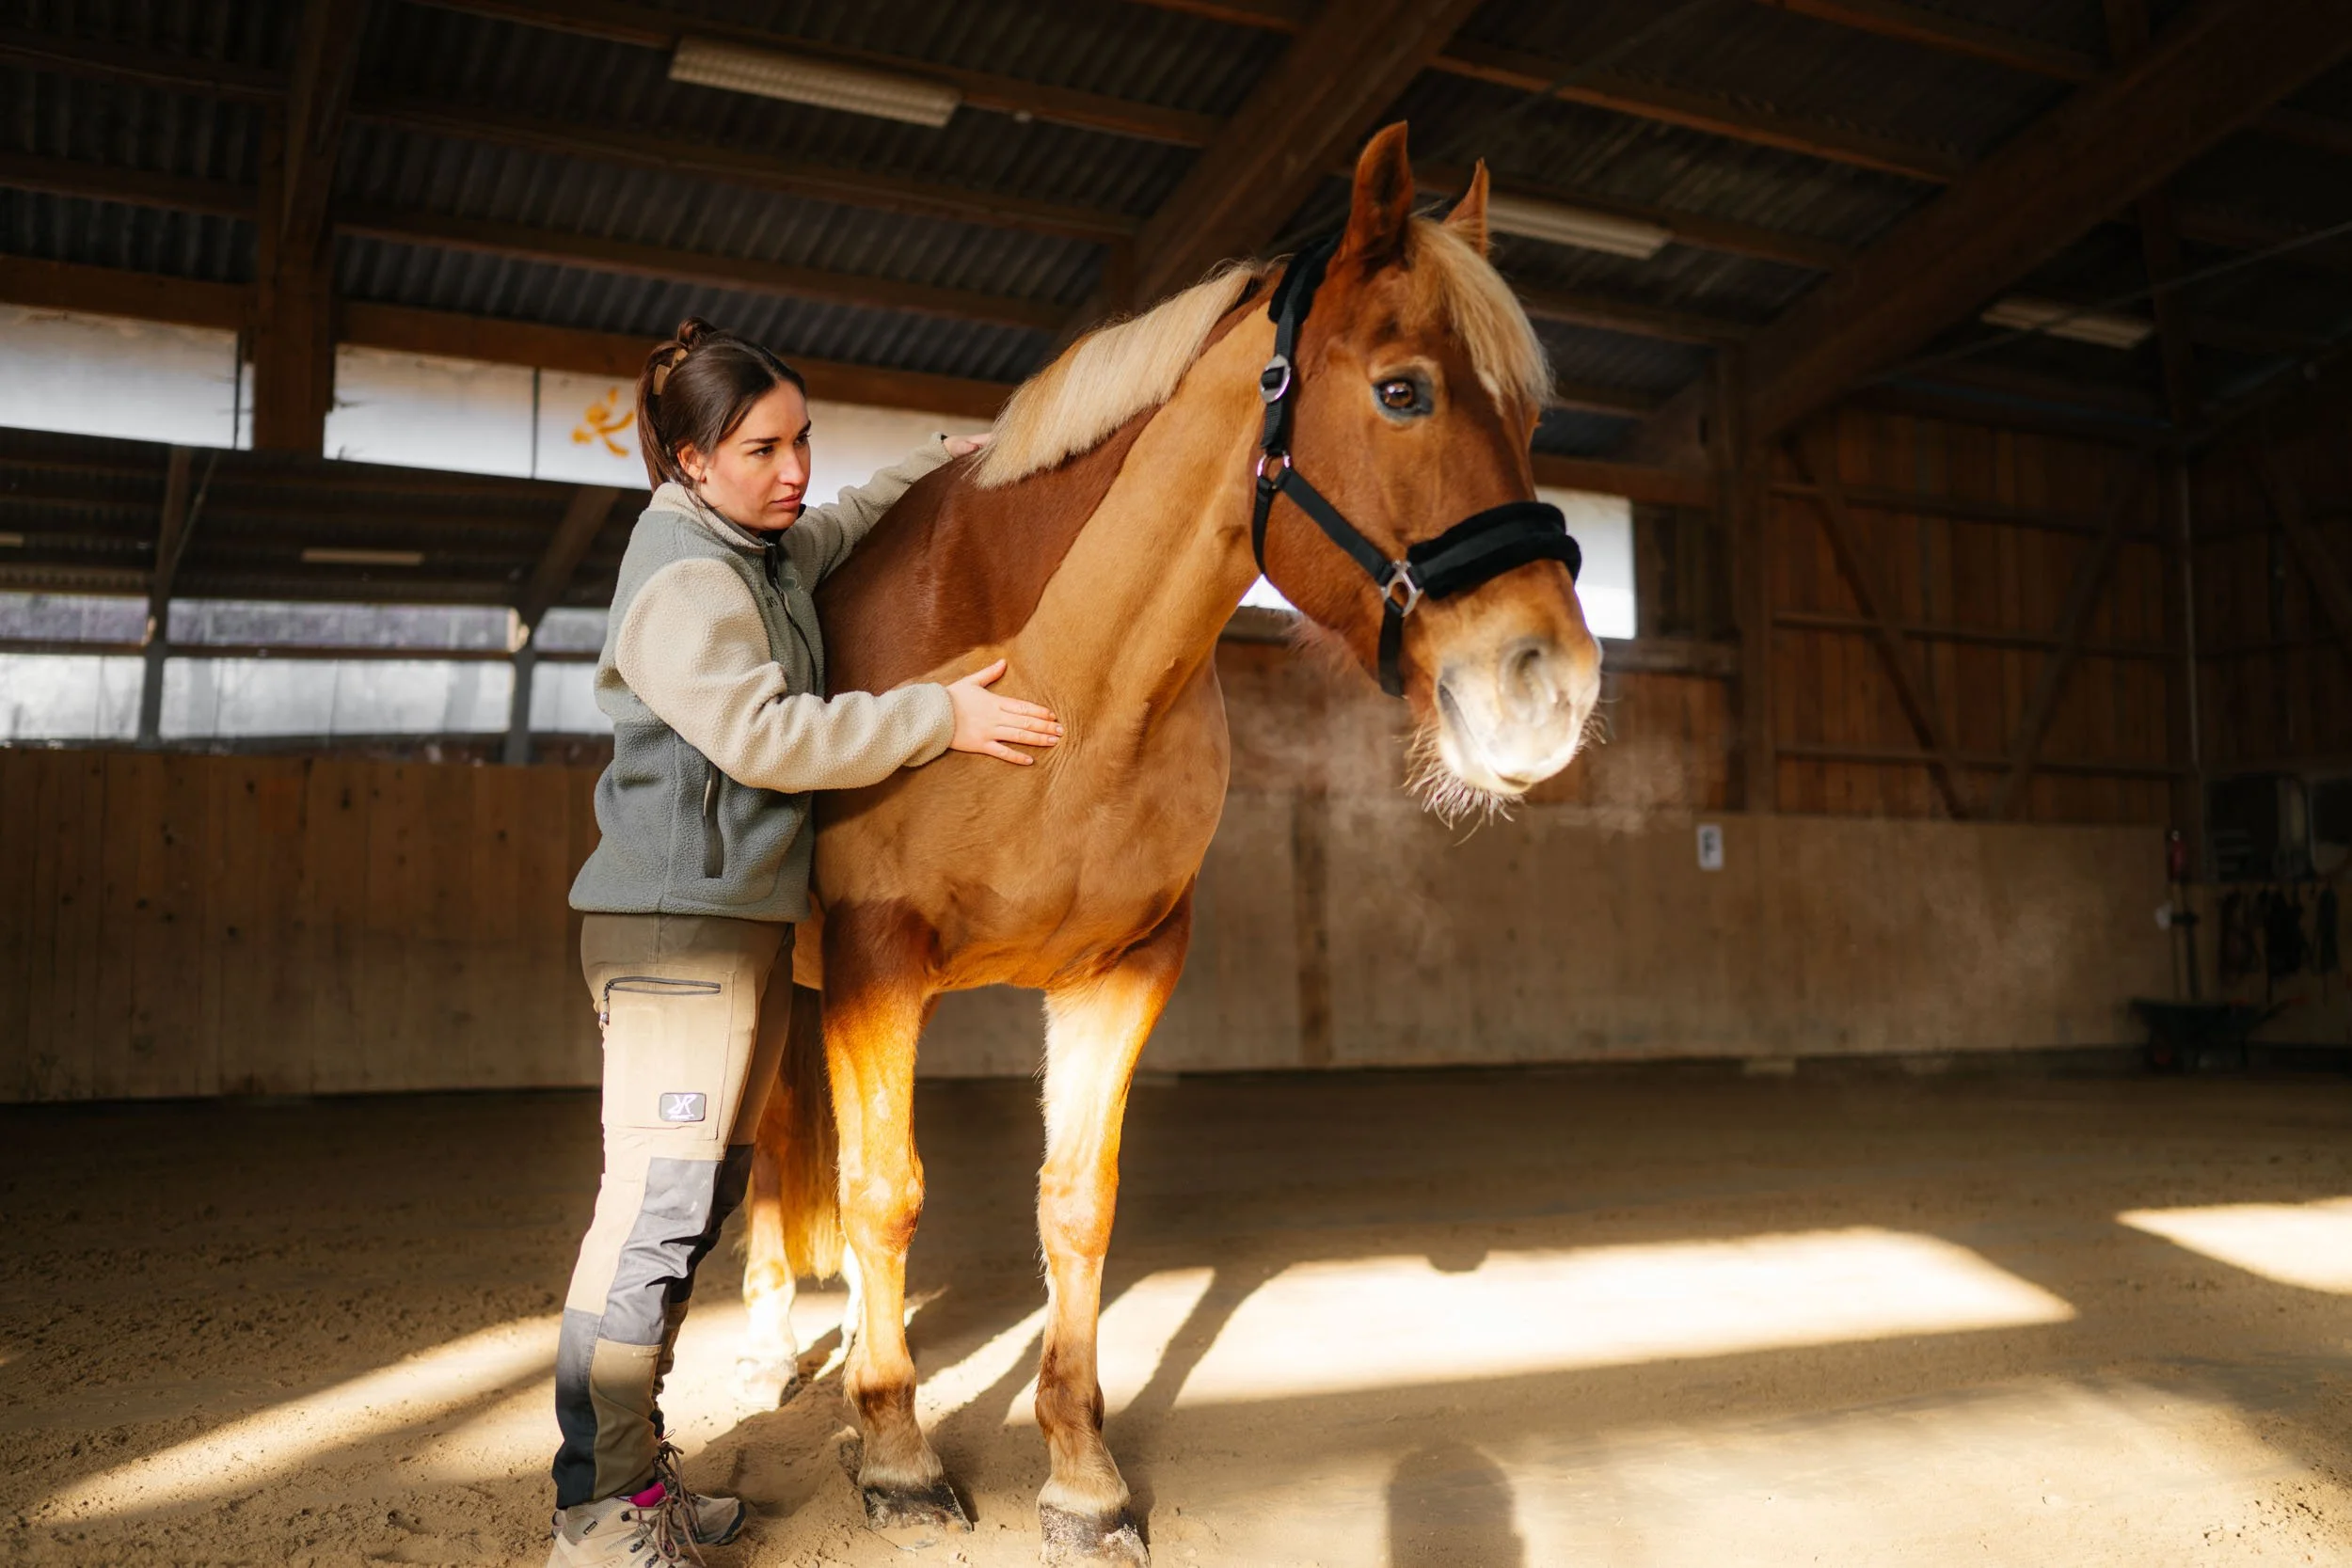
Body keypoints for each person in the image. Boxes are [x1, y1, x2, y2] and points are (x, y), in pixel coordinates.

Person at [545, 317, 1059, 1566]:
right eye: (762, 447)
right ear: (685, 460)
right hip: (677, 932)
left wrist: (948, 458)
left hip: (740, 927)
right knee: (652, 1212)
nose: (794, 469)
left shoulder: (758, 547)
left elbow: (838, 525)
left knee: (704, 1195)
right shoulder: (682, 577)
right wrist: (942, 713)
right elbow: (769, 739)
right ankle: (594, 1510)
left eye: (804, 437)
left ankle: (632, 1480)